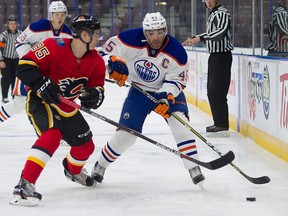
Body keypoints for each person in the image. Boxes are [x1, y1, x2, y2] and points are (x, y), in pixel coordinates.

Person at [91, 12, 205, 188]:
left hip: (166, 92)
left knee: (180, 125)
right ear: (145, 32)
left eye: (159, 32)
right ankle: (100, 165)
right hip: (139, 91)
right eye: (151, 33)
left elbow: (177, 81)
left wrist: (166, 97)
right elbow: (101, 54)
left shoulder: (176, 51)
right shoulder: (128, 39)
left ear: (165, 30)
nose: (156, 37)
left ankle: (194, 167)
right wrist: (112, 63)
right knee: (125, 136)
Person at [9, 15, 109, 206]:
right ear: (81, 34)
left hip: (68, 107)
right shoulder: (53, 46)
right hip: (41, 101)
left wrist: (93, 97)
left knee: (86, 146)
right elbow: (24, 67)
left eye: (98, 33)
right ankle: (24, 186)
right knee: (52, 135)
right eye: (94, 33)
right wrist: (41, 84)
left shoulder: (96, 61)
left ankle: (72, 170)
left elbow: (98, 89)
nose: (98, 37)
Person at [0, 1, 72, 123]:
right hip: (30, 70)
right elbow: (19, 42)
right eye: (56, 14)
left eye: (62, 14)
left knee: (54, 103)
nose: (60, 18)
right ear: (51, 15)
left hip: (50, 74)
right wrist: (31, 61)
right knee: (19, 103)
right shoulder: (38, 26)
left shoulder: (68, 33)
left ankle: (61, 135)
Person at [182, 0, 233, 137]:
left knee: (217, 91)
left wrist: (201, 37)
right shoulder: (213, 14)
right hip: (215, 56)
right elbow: (214, 32)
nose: (208, 2)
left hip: (222, 56)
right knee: (212, 91)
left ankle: (222, 124)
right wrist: (196, 37)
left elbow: (220, 34)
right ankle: (219, 122)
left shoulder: (222, 13)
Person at [0, 15, 22, 103]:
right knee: (6, 78)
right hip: (6, 60)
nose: (12, 25)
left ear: (16, 24)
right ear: (8, 24)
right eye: (11, 24)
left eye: (14, 23)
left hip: (16, 60)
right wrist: (1, 60)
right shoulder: (4, 35)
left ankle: (14, 96)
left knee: (16, 79)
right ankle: (5, 96)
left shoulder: (20, 34)